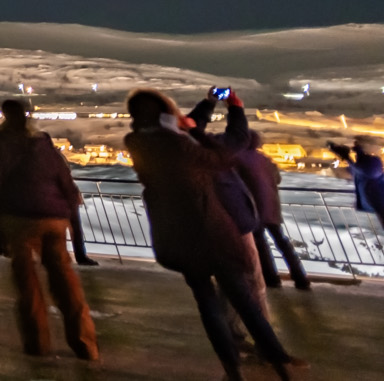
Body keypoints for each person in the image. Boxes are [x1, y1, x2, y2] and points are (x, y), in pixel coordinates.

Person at [125, 89, 301, 381]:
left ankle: (232, 369)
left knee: (206, 303)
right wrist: (232, 110)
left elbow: (183, 133)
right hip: (211, 235)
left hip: (175, 237)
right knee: (244, 301)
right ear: (167, 117)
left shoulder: (136, 141)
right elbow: (223, 157)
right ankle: (277, 361)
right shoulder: (180, 146)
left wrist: (206, 106)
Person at [0, 99, 98, 360]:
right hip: (54, 218)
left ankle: (38, 343)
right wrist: (68, 210)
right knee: (65, 278)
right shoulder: (43, 143)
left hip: (17, 218)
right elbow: (64, 177)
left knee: (27, 281)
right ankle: (85, 343)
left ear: (4, 116)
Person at [195, 89, 307, 289]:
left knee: (260, 246)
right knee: (282, 242)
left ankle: (270, 279)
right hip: (271, 207)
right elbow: (277, 179)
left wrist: (209, 103)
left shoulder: (234, 157)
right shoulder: (265, 159)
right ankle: (301, 278)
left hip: (251, 207)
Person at [328, 138, 384, 237]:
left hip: (371, 189)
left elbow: (360, 168)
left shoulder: (370, 178)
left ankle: (350, 151)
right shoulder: (370, 178)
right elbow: (360, 168)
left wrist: (354, 153)